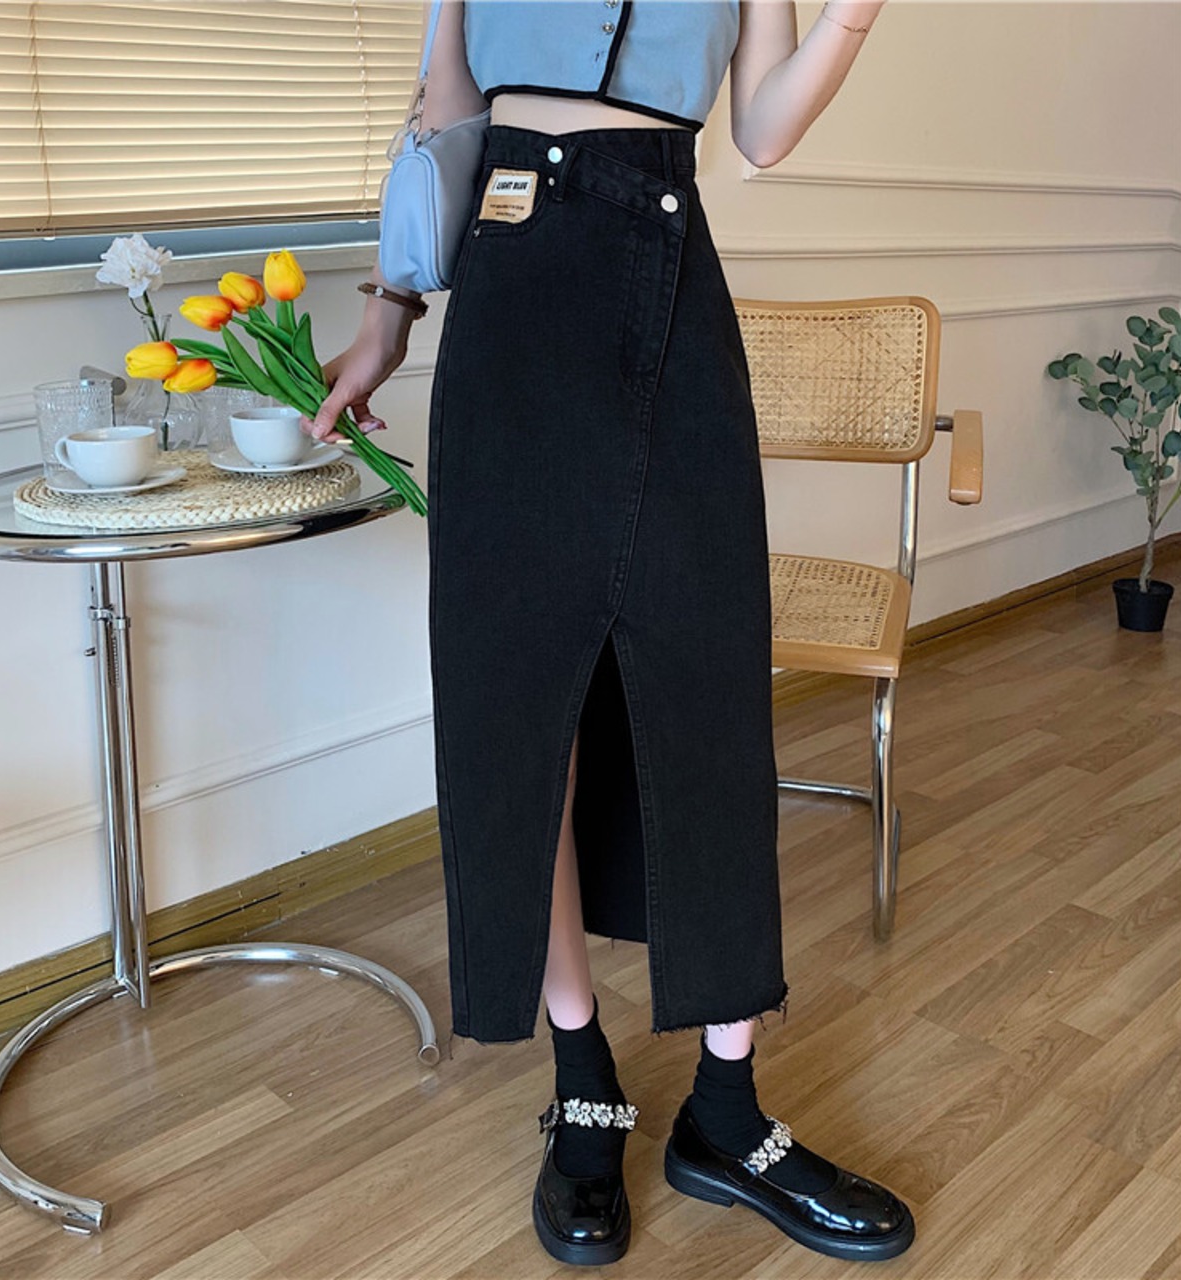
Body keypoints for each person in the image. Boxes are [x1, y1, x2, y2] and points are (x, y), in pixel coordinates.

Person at [307, 0, 914, 1267]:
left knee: (706, 693)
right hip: (511, 298)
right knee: (522, 705)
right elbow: (447, 106)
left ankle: (726, 1112)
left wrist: (852, 18)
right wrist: (386, 315)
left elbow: (760, 127)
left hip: (670, 288)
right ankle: (581, 1077)